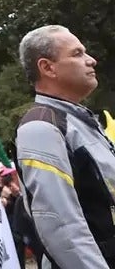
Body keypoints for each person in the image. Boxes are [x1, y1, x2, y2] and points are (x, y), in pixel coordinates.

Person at [16, 24, 115, 268]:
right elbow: (61, 225)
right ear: (47, 67)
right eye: (77, 54)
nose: (91, 60)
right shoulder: (41, 127)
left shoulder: (80, 122)